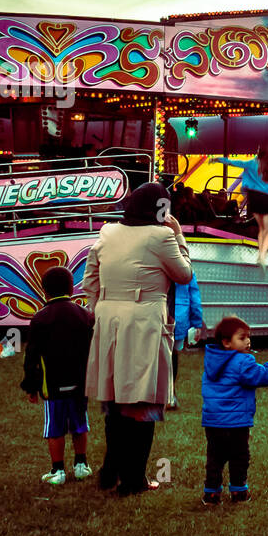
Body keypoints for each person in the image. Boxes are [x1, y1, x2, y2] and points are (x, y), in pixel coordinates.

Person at [84, 181, 193, 497]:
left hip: (109, 318)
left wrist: (99, 307)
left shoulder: (107, 232)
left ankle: (110, 470)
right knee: (143, 400)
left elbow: (90, 277)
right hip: (144, 319)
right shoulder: (161, 236)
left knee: (115, 397)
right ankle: (133, 479)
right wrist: (179, 235)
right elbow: (184, 274)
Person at [20, 266, 94, 486]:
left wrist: (30, 386)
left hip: (51, 386)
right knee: (80, 424)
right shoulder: (85, 316)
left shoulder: (40, 318)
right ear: (72, 288)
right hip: (81, 384)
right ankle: (81, 465)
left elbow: (31, 356)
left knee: (55, 428)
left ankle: (58, 470)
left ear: (44, 291)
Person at [201, 315, 268, 506]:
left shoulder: (212, 362)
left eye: (248, 336)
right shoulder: (242, 362)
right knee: (239, 456)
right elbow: (261, 376)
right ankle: (239, 491)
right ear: (226, 342)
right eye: (242, 337)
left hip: (213, 422)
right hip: (236, 422)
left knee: (215, 457)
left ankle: (211, 492)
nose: (248, 341)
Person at [241, 142, 268, 272]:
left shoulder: (254, 165)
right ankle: (262, 257)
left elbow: (244, 182)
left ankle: (260, 253)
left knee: (262, 229)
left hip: (255, 199)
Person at [171, 271, 205, 408]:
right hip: (179, 317)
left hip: (158, 314)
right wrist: (197, 322)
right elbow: (194, 297)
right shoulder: (186, 268)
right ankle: (170, 394)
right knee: (173, 355)